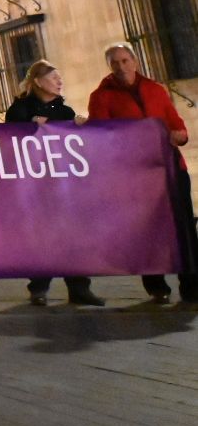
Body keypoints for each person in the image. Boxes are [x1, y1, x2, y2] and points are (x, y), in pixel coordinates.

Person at [88, 43, 198, 304]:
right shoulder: (101, 97)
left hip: (171, 168)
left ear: (134, 62)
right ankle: (156, 284)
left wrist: (181, 135)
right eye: (115, 63)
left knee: (183, 226)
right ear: (110, 67)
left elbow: (176, 122)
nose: (121, 66)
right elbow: (100, 135)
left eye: (125, 60)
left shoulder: (155, 89)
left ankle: (192, 285)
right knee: (146, 228)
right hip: (135, 175)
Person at [3, 60, 103, 306]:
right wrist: (30, 129)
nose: (60, 82)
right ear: (38, 81)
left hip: (63, 183)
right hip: (34, 185)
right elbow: (7, 143)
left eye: (60, 77)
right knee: (41, 236)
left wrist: (80, 129)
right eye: (54, 77)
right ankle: (39, 287)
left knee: (73, 234)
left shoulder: (65, 112)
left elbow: (75, 145)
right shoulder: (19, 111)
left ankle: (79, 288)